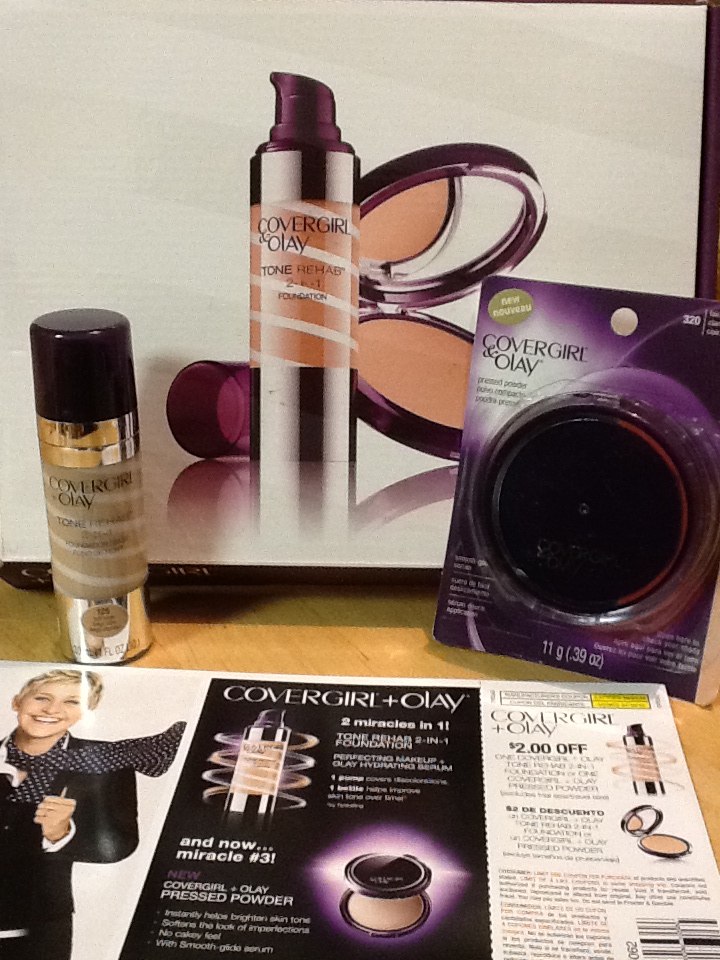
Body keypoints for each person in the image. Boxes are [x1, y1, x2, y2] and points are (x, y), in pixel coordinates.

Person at [0, 668, 185, 960]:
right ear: (17, 702)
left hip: (41, 921)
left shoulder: (105, 761)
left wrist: (59, 834)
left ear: (85, 712)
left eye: (72, 702)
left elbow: (120, 844)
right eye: (42, 698)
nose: (52, 709)